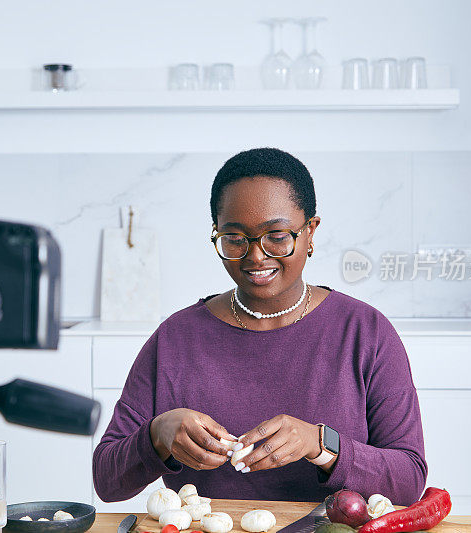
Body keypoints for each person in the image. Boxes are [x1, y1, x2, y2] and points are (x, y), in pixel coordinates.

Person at [92, 147, 427, 506]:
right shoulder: (176, 338)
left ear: (310, 232)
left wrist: (320, 444)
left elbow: (409, 479)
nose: (255, 256)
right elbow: (107, 482)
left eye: (277, 236)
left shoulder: (365, 332)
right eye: (235, 239)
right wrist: (157, 435)